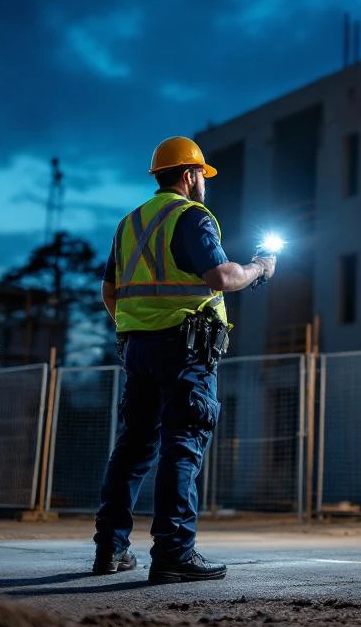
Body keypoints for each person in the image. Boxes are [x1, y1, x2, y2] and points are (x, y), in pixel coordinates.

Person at [92, 136, 276, 584]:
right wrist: (258, 270)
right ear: (190, 175)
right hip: (185, 350)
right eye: (203, 176)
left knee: (133, 448)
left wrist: (135, 327)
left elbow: (109, 291)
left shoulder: (129, 223)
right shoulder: (191, 216)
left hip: (138, 349)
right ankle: (174, 551)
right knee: (183, 445)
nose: (205, 185)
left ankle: (110, 549)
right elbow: (220, 276)